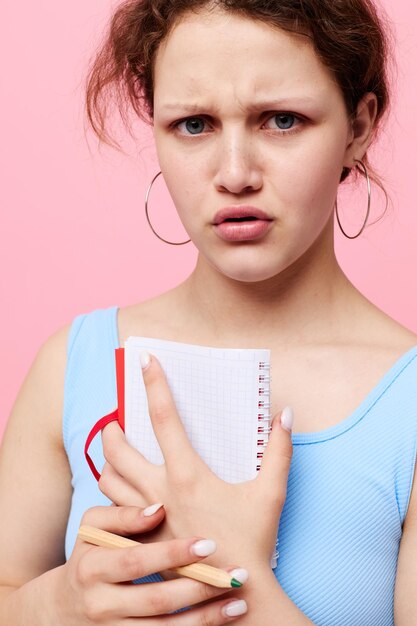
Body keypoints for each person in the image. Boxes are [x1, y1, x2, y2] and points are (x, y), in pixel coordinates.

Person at [0, 0, 416, 623]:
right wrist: (61, 602)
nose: (235, 173)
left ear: (358, 126)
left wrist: (230, 569)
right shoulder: (75, 362)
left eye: (281, 119)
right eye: (194, 125)